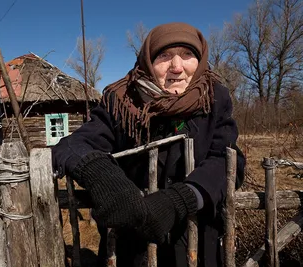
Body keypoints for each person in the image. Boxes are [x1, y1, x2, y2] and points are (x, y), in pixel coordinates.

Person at [52, 22, 245, 267]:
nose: (177, 67)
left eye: (187, 54)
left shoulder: (214, 99)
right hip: (131, 248)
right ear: (147, 61)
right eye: (164, 56)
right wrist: (103, 176)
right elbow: (73, 145)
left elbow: (227, 160)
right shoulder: (121, 101)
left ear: (200, 60)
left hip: (197, 246)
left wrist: (181, 200)